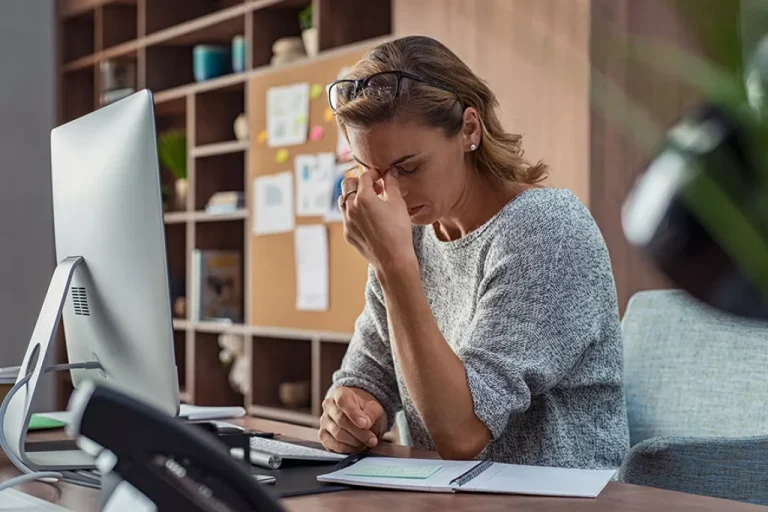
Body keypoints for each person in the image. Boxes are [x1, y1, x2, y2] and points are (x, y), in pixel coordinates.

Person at [319, 35, 629, 469]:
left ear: (469, 129)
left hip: (557, 501)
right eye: (373, 171)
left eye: (408, 167)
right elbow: (369, 374)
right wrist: (351, 410)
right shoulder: (410, 237)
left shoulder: (546, 229)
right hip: (448, 496)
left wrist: (393, 264)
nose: (392, 192)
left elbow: (461, 432)